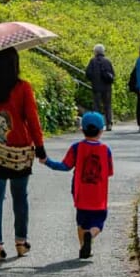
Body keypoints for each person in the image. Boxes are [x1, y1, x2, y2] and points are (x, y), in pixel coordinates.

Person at [0, 47, 46, 261]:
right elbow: (32, 119)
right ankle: (20, 242)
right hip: (19, 148)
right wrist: (40, 147)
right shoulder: (23, 88)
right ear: (15, 64)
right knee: (20, 197)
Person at [40, 110, 113, 259]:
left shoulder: (76, 148)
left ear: (82, 130)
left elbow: (65, 166)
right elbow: (109, 172)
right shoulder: (106, 150)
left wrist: (47, 161)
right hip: (99, 195)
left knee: (81, 222)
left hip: (80, 194)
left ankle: (83, 246)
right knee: (98, 223)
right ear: (101, 130)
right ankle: (91, 236)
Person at [85, 44, 115, 130]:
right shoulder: (107, 61)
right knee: (107, 105)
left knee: (96, 106)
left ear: (95, 52)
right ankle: (109, 124)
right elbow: (113, 74)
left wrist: (93, 80)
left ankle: (97, 125)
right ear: (103, 52)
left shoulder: (92, 61)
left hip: (96, 87)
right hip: (107, 88)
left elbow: (88, 73)